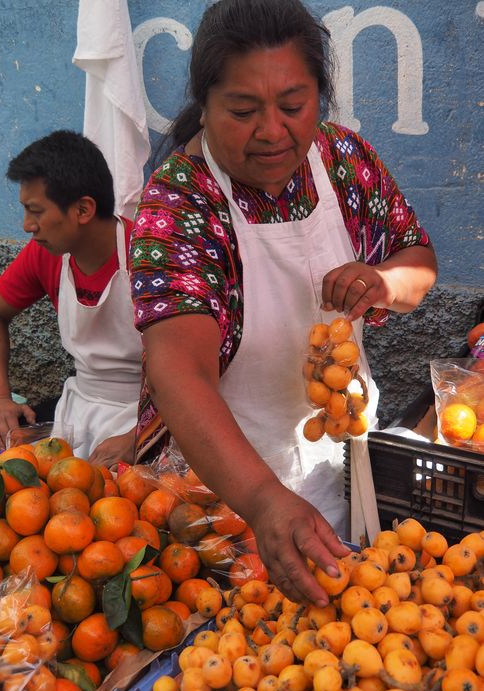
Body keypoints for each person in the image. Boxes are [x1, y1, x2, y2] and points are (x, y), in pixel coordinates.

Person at [129, 0, 438, 604]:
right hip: (218, 492)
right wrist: (265, 500)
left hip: (340, 459)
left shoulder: (346, 163)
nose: (273, 131)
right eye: (243, 111)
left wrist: (383, 282)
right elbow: (178, 372)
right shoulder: (179, 205)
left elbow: (416, 258)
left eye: (293, 106)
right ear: (205, 105)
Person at [0, 130, 142, 467]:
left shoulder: (149, 255)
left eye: (35, 211)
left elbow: (200, 370)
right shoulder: (45, 254)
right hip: (77, 409)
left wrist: (140, 436)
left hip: (153, 418)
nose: (27, 225)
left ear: (83, 209)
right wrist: (0, 398)